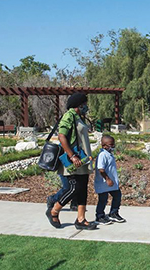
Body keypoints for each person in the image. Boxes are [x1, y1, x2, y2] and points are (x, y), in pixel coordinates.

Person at [46, 93, 96, 230]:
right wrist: (72, 156)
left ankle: (81, 219)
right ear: (78, 104)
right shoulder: (69, 116)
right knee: (73, 188)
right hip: (73, 159)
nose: (86, 106)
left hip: (83, 159)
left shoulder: (79, 117)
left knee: (82, 189)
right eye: (84, 104)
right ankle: (54, 210)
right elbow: (61, 136)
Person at [93, 135, 126, 225]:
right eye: (111, 144)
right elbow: (101, 169)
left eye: (113, 144)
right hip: (104, 183)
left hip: (112, 183)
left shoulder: (109, 154)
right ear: (104, 146)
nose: (113, 146)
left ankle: (113, 213)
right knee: (103, 199)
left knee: (117, 195)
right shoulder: (102, 155)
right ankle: (99, 216)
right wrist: (107, 179)